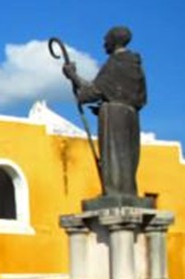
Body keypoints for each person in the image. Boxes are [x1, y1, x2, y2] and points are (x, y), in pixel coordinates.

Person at [62, 26, 147, 198]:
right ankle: (126, 192)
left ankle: (114, 193)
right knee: (127, 159)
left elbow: (93, 92)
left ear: (113, 41)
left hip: (114, 118)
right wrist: (105, 105)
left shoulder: (115, 63)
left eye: (105, 40)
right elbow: (139, 98)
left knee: (114, 156)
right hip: (131, 117)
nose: (103, 44)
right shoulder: (135, 66)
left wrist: (73, 76)